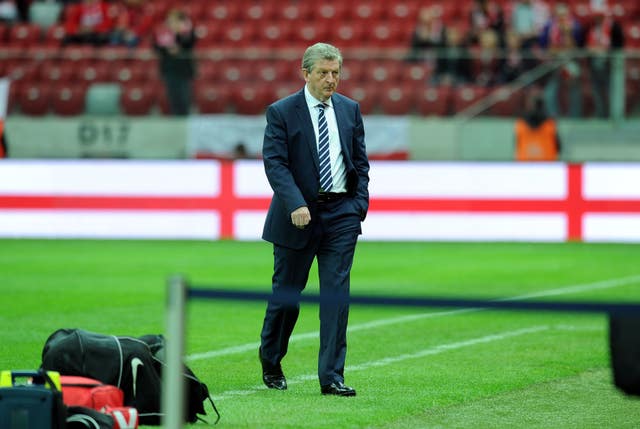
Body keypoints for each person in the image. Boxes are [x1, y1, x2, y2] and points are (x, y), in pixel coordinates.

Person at [258, 42, 370, 397]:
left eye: (335, 72)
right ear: (305, 73)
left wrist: (358, 206)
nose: (331, 79)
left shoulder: (351, 110)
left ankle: (332, 377)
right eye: (323, 72)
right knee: (287, 296)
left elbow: (360, 164)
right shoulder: (282, 112)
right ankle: (271, 360)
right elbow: (275, 163)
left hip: (341, 215)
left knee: (336, 297)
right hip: (297, 217)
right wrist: (295, 203)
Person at [153, 7, 196, 116]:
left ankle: (185, 118)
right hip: (169, 68)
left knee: (184, 96)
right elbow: (156, 47)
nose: (172, 22)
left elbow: (189, 44)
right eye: (171, 19)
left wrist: (178, 35)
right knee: (173, 96)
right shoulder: (162, 31)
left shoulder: (187, 31)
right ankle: (176, 119)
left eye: (175, 19)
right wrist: (168, 50)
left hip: (183, 69)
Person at [514, 92, 561, 161]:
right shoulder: (550, 124)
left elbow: (517, 145)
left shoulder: (520, 124)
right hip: (547, 164)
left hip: (525, 163)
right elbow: (558, 147)